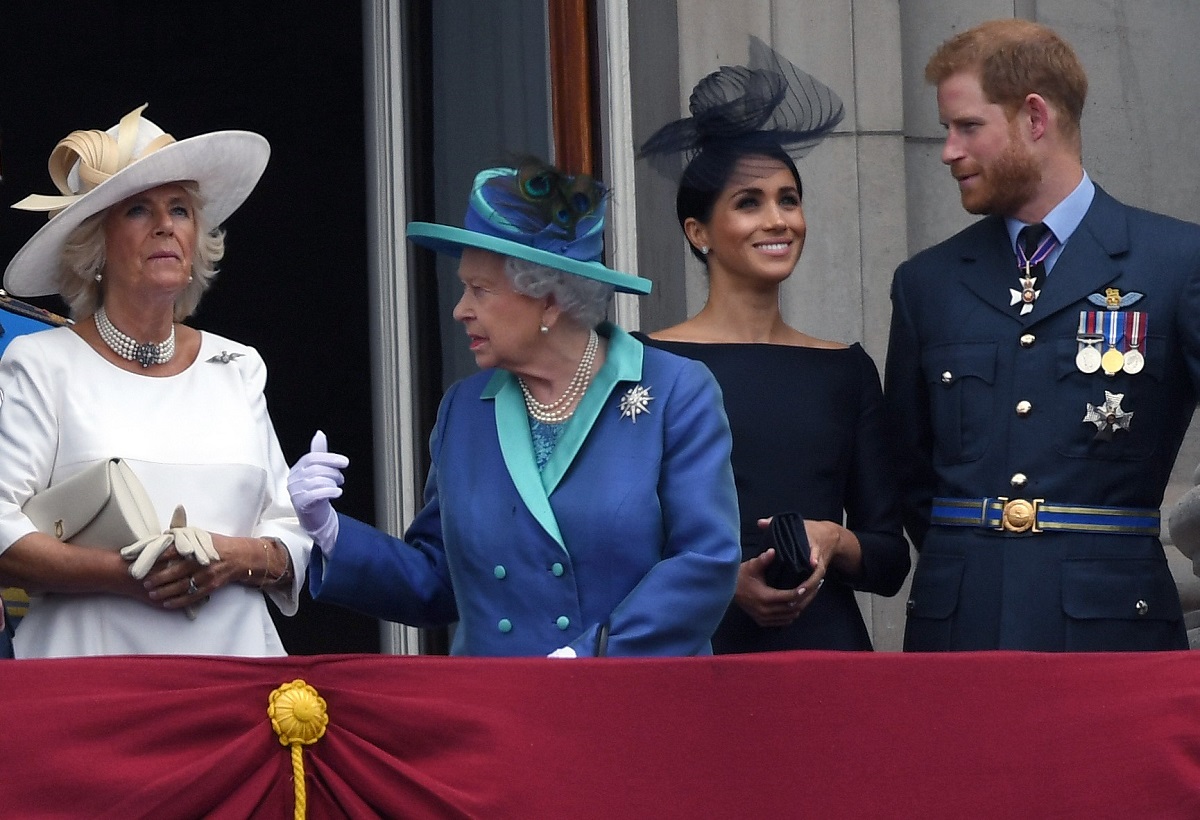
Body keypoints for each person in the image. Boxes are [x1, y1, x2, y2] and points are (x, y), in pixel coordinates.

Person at [287, 159, 741, 657]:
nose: (460, 309)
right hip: (496, 713)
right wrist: (330, 533)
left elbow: (704, 561)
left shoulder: (676, 390)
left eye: (480, 290)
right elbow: (439, 580)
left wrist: (591, 655)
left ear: (549, 301)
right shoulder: (465, 410)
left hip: (629, 710)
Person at [885, 19, 1200, 651]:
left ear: (1034, 117)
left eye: (968, 126)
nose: (948, 150)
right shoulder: (928, 281)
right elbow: (909, 469)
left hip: (1111, 628)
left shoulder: (1176, 261)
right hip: (960, 625)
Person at [0, 105, 311, 657]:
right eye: (139, 210)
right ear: (96, 248)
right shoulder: (43, 364)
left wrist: (234, 557)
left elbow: (291, 533)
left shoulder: (237, 367)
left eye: (180, 209)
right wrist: (127, 575)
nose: (166, 225)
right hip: (96, 687)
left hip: (235, 686)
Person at [636, 40, 910, 652]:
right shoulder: (641, 362)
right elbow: (610, 539)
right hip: (690, 656)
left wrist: (833, 541)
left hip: (824, 659)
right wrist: (721, 581)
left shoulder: (845, 370)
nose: (778, 220)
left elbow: (890, 560)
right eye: (749, 203)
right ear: (698, 231)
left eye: (789, 199)